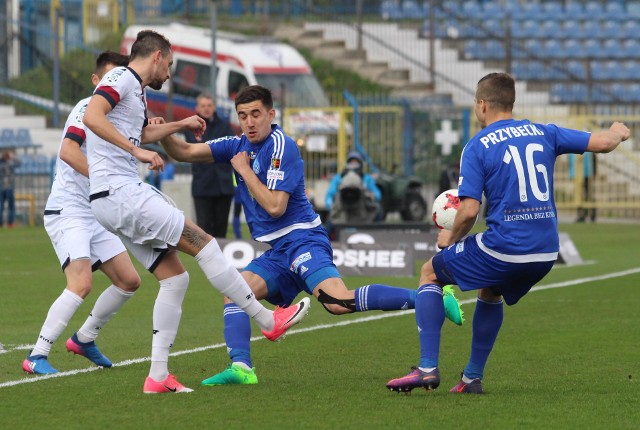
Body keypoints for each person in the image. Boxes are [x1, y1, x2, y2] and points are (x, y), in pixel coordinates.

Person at [159, 84, 464, 386]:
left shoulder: (282, 146)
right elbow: (184, 151)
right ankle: (241, 368)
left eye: (255, 114)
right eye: (243, 115)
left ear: (270, 114)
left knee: (336, 302)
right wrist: (165, 132)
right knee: (235, 292)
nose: (249, 122)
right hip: (279, 248)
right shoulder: (237, 144)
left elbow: (276, 206)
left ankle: (432, 296)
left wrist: (244, 170)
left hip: (304, 238)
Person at [82, 31, 310, 394]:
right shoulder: (122, 77)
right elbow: (93, 117)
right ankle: (267, 319)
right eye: (170, 65)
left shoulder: (135, 91)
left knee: (176, 279)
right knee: (205, 244)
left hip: (109, 202)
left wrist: (179, 126)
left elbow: (141, 133)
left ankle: (157, 376)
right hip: (122, 192)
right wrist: (137, 151)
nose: (169, 74)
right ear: (157, 56)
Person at [385, 72, 630, 395]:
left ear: (482, 105)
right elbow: (603, 143)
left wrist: (449, 240)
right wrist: (618, 132)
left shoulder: (477, 146)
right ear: (511, 103)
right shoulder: (545, 132)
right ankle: (472, 379)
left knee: (431, 272)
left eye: (476, 103)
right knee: (491, 290)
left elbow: (469, 210)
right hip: (546, 252)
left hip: (507, 247)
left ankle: (427, 368)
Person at [22, 51, 141, 375]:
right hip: (69, 210)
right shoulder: (87, 109)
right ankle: (36, 355)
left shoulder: (120, 117)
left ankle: (85, 338)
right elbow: (68, 151)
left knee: (129, 281)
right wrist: (103, 176)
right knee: (81, 284)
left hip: (93, 213)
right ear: (95, 81)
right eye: (109, 78)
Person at [183, 93, 236, 238]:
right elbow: (193, 151)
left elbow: (229, 149)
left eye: (209, 105)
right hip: (203, 186)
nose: (206, 109)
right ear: (197, 108)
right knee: (204, 234)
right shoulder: (190, 127)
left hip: (223, 186)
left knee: (221, 232)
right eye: (203, 106)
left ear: (214, 107)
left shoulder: (224, 125)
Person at [325, 151, 382, 224]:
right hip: (342, 209)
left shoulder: (367, 179)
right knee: (329, 222)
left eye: (356, 163)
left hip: (361, 209)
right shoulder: (338, 178)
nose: (353, 165)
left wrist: (372, 195)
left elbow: (377, 194)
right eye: (351, 163)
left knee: (378, 210)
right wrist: (330, 205)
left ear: (360, 164)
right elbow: (329, 194)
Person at [568, 152, 596, 222]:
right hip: (576, 175)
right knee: (578, 196)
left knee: (589, 194)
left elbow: (594, 159)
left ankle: (592, 214)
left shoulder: (589, 147)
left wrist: (594, 172)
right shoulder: (571, 149)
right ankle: (581, 215)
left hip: (587, 174)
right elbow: (570, 163)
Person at [0, 150, 19, 228]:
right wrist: (13, 157)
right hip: (6, 187)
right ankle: (9, 223)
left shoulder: (6, 164)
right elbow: (18, 163)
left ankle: (5, 223)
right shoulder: (9, 164)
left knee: (4, 206)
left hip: (4, 187)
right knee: (8, 206)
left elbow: (18, 163)